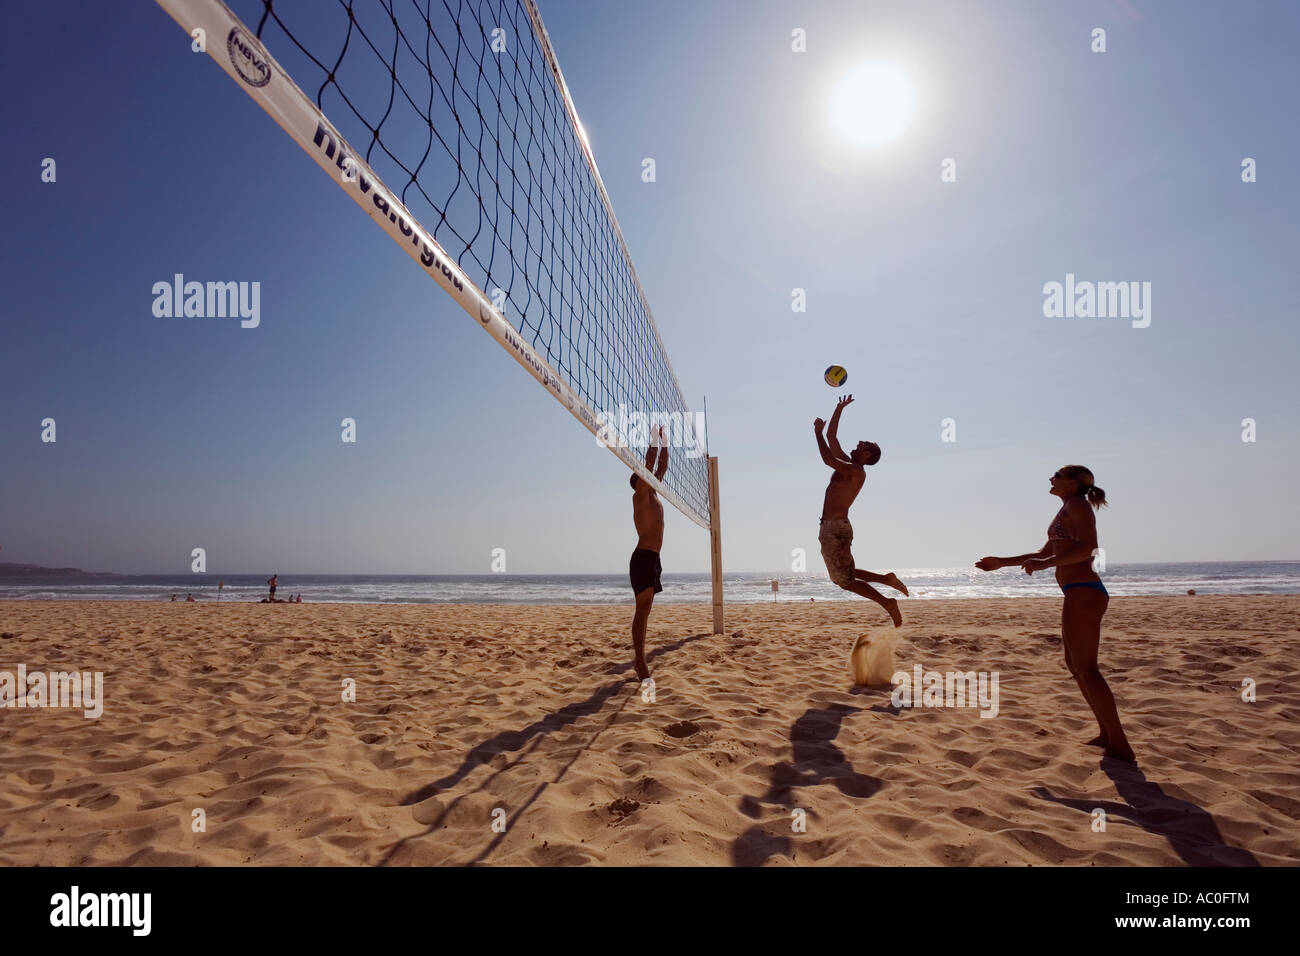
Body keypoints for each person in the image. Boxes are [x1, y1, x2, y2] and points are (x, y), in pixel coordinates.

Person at [975, 465, 1135, 763]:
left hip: (1085, 590)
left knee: (1087, 668)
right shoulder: (1066, 510)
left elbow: (1088, 549)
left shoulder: (1078, 505)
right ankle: (1106, 734)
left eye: (1058, 475)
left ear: (1073, 483)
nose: (1051, 478)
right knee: (1075, 666)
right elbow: (1042, 553)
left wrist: (1047, 564)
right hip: (1076, 591)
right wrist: (1001, 562)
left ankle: (1121, 743)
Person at [814, 395, 908, 626]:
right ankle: (886, 579)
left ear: (868, 456)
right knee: (845, 574)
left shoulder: (856, 471)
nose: (858, 444)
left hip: (835, 529)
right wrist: (838, 408)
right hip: (833, 527)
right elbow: (832, 437)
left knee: (844, 581)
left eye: (863, 445)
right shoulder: (849, 464)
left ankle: (887, 602)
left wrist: (815, 433)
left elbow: (827, 458)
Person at [629, 427, 669, 680]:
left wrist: (665, 442)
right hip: (642, 557)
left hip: (654, 559)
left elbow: (661, 465)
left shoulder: (652, 492)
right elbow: (650, 463)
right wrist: (653, 440)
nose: (651, 477)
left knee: (646, 611)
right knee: (641, 611)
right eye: (644, 477)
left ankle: (639, 659)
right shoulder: (640, 495)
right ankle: (640, 662)